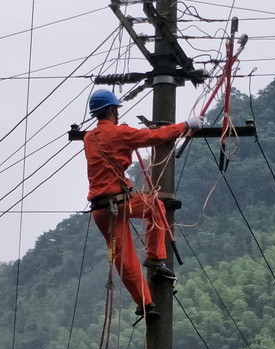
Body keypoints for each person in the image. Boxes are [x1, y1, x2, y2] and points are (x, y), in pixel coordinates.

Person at [83, 89, 203, 317]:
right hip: (122, 203)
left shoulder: (89, 138)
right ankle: (156, 258)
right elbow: (155, 137)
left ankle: (146, 304)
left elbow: (112, 144)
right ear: (111, 110)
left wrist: (123, 134)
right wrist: (186, 125)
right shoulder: (120, 133)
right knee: (156, 206)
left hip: (101, 210)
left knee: (123, 258)